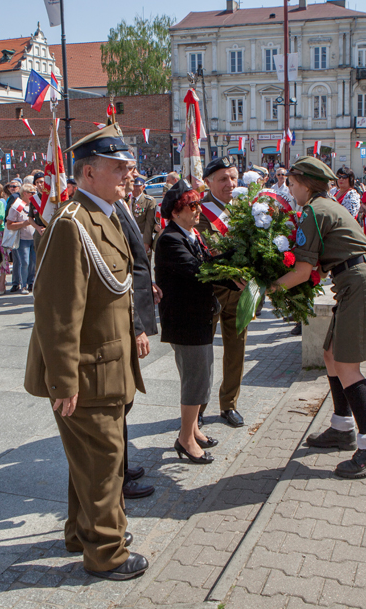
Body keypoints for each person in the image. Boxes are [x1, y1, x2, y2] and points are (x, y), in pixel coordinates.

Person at [23, 121, 148, 581]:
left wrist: (135, 333)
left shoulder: (105, 215)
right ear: (89, 172)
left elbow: (116, 291)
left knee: (92, 460)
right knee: (103, 465)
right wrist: (63, 381)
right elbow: (57, 311)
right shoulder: (71, 224)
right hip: (87, 373)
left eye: (127, 167)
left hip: (108, 366)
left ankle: (83, 533)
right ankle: (106, 554)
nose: (128, 174)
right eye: (118, 167)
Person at [276, 157, 366, 478]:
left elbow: (303, 271)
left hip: (358, 282)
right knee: (330, 354)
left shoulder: (314, 211)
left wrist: (266, 288)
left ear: (305, 184)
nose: (290, 190)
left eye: (292, 184)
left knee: (346, 365)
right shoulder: (325, 205)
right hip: (355, 280)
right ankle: (342, 428)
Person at [155, 179, 224, 466]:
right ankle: (185, 439)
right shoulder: (170, 239)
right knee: (196, 380)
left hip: (198, 317)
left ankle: (193, 430)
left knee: (200, 376)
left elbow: (208, 261)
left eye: (198, 204)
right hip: (185, 321)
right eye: (191, 206)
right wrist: (231, 272)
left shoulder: (191, 234)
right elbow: (199, 270)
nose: (198, 210)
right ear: (175, 212)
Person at [114, 165, 161, 499]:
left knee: (125, 400)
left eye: (130, 170)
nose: (130, 175)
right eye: (125, 169)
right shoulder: (111, 209)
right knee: (120, 401)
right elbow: (118, 274)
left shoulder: (123, 204)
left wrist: (150, 283)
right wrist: (136, 327)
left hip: (137, 302)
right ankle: (118, 475)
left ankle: (123, 465)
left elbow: (135, 260)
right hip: (125, 319)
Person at [196, 156, 248, 428]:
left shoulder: (243, 207)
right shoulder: (200, 210)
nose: (230, 184)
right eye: (223, 179)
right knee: (203, 354)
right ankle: (197, 408)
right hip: (211, 293)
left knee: (236, 350)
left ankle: (229, 404)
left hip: (240, 293)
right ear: (208, 182)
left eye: (233, 177)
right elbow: (208, 249)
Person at [5, 183, 41, 295]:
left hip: (34, 238)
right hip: (22, 239)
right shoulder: (19, 205)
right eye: (32, 193)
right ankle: (23, 284)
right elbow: (9, 225)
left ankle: (31, 283)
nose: (34, 194)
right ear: (25, 193)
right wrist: (24, 223)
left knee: (34, 262)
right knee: (24, 262)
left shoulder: (35, 204)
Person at [129, 176, 158, 255]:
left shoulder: (148, 201)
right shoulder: (127, 199)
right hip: (129, 237)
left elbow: (149, 223)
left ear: (143, 187)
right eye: (133, 186)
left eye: (137, 186)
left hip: (141, 237)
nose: (135, 188)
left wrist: (146, 242)